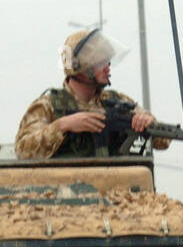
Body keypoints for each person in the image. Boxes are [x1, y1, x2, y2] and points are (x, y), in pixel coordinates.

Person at [14, 29, 170, 159]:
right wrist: (63, 125)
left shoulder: (118, 102)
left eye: (108, 62)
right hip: (66, 191)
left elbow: (163, 140)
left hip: (117, 189)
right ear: (81, 66)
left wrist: (148, 122)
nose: (108, 68)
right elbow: (23, 150)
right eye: (101, 62)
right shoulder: (48, 106)